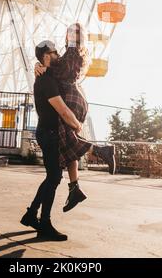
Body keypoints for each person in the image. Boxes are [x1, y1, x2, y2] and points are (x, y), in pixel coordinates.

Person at [35, 23, 116, 213]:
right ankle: (74, 188)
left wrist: (41, 65)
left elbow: (59, 71)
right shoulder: (76, 53)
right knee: (69, 144)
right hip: (76, 97)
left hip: (71, 100)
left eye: (72, 33)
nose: (69, 35)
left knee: (67, 139)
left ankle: (102, 151)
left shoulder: (72, 54)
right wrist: (40, 65)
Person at [20, 40, 83, 241]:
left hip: (49, 133)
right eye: (55, 53)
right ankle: (44, 224)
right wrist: (76, 124)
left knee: (52, 177)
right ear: (46, 56)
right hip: (50, 134)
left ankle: (31, 214)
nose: (58, 56)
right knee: (54, 177)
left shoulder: (48, 76)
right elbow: (62, 109)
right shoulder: (45, 80)